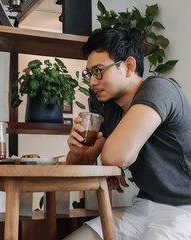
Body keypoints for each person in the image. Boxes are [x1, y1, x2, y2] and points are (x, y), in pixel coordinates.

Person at [64, 28, 191, 240]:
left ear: (129, 66)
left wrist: (110, 162)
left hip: (185, 209)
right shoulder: (110, 109)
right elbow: (81, 166)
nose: (92, 82)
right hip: (144, 208)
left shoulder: (159, 89)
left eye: (98, 71)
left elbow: (116, 156)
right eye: (90, 74)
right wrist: (77, 150)